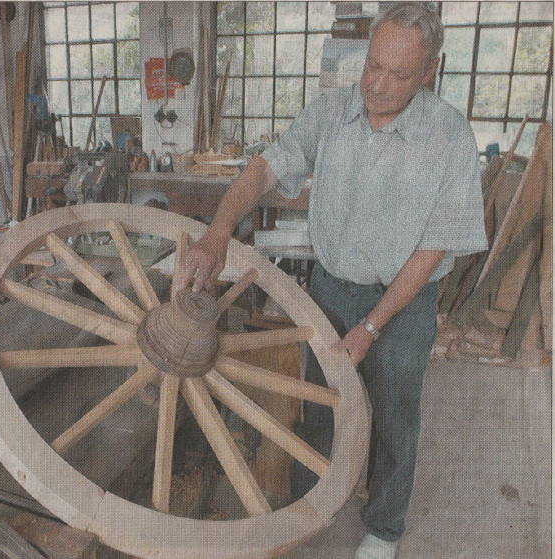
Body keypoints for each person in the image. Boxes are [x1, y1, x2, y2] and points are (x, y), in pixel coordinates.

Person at [173, 3, 487, 558]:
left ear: (429, 71)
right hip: (331, 285)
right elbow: (268, 167)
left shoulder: (449, 138)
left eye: (398, 75)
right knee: (319, 402)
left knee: (394, 411)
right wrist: (218, 232)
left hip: (404, 302)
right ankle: (309, 503)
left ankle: (384, 528)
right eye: (372, 67)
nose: (378, 85)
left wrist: (371, 325)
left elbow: (432, 247)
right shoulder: (331, 112)